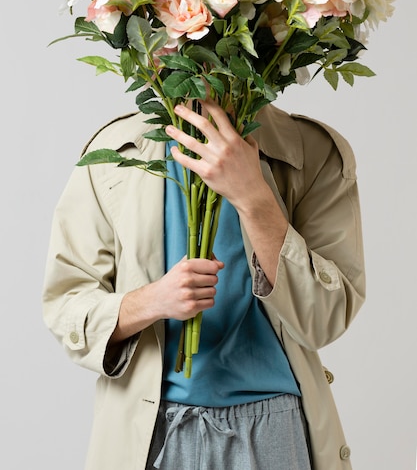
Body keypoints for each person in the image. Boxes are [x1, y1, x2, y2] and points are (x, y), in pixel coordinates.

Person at [42, 96, 365, 470]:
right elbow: (65, 305)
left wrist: (254, 196)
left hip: (273, 425)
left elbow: (326, 318)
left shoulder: (312, 151)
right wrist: (150, 301)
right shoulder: (113, 152)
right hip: (149, 429)